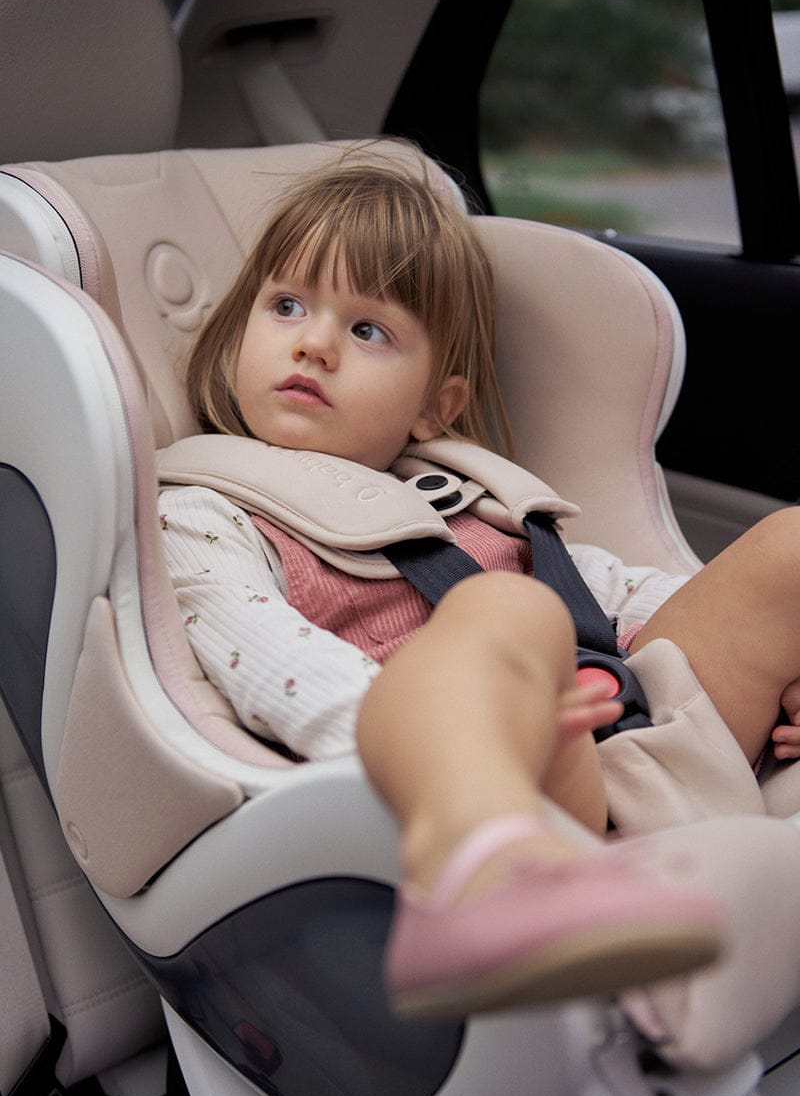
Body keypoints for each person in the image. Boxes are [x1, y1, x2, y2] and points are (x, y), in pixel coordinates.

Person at [158, 150, 800, 1021]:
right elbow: (279, 671)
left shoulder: (466, 497)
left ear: (436, 404)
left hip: (631, 744)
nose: (313, 342)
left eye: (368, 331)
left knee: (788, 545)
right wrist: (477, 735)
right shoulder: (205, 511)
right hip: (490, 789)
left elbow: (610, 593)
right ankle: (485, 880)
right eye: (287, 306)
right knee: (506, 607)